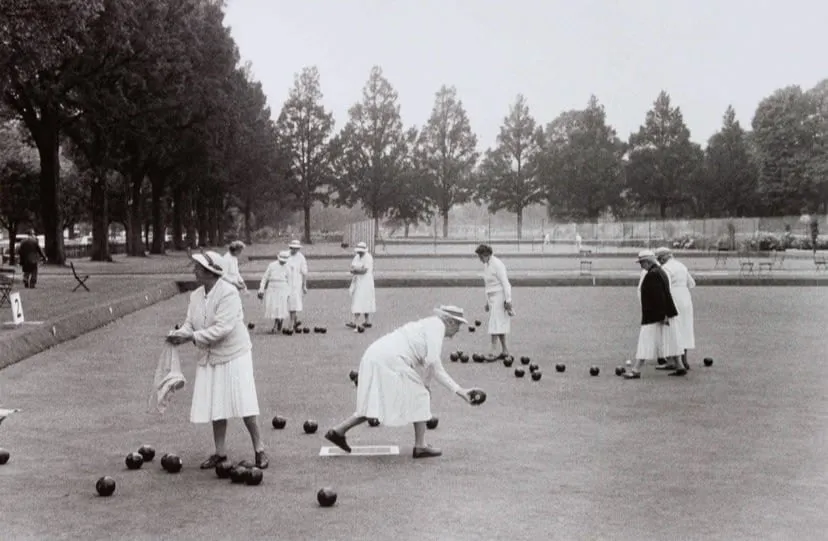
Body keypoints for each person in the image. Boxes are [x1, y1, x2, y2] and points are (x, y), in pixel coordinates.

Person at [324, 305, 485, 459]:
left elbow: (436, 366)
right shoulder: (438, 326)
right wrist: (426, 386)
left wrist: (460, 391)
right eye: (458, 325)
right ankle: (420, 446)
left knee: (378, 401)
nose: (457, 330)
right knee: (421, 395)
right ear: (450, 321)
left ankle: (338, 432)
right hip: (389, 358)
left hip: (377, 355)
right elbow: (431, 362)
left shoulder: (430, 325)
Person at [165, 250, 269, 469]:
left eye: (198, 267)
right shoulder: (195, 296)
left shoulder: (229, 293)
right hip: (210, 355)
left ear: (210, 272)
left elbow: (222, 329)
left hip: (235, 354)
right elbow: (190, 324)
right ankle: (220, 454)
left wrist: (190, 337)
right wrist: (179, 335)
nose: (194, 270)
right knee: (216, 403)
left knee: (244, 403)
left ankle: (259, 449)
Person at [625, 250, 685, 379]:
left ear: (647, 262)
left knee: (645, 340)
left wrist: (662, 316)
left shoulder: (652, 274)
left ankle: (636, 370)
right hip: (667, 312)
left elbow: (659, 296)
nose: (641, 266)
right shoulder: (660, 271)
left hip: (655, 315)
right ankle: (680, 366)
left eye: (641, 263)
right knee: (672, 339)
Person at [655, 246, 696, 371]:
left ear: (663, 258)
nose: (659, 261)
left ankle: (673, 361)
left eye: (659, 259)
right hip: (686, 299)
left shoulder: (665, 268)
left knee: (671, 329)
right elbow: (692, 283)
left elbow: (664, 286)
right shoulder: (682, 266)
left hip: (673, 298)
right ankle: (684, 360)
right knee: (685, 328)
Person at [475, 244, 513, 360]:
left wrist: (508, 300)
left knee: (494, 323)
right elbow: (488, 285)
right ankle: (505, 351)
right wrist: (487, 302)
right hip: (492, 298)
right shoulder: (487, 265)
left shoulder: (497, 264)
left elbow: (506, 283)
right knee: (499, 323)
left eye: (480, 256)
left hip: (500, 297)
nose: (479, 259)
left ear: (486, 255)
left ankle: (492, 352)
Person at [257, 250, 291, 334]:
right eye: (281, 260)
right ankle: (278, 321)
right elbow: (265, 277)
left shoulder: (288, 267)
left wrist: (289, 292)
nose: (283, 262)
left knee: (281, 305)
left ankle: (277, 324)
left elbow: (290, 281)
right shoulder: (272, 265)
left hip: (283, 287)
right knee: (274, 306)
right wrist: (261, 289)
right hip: (272, 287)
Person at [347, 242, 376, 331]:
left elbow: (364, 271)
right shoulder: (357, 257)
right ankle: (366, 321)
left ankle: (357, 321)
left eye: (360, 251)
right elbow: (352, 267)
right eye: (358, 251)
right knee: (358, 299)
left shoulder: (368, 257)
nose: (359, 253)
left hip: (366, 282)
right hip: (358, 281)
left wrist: (356, 270)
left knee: (363, 299)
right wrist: (356, 270)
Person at [286, 240, 308, 330]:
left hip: (296, 283)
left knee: (293, 301)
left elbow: (304, 272)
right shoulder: (285, 255)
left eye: (296, 249)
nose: (295, 250)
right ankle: (294, 320)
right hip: (286, 282)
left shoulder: (301, 257)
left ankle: (291, 324)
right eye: (293, 248)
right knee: (286, 302)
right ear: (290, 247)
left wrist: (304, 285)